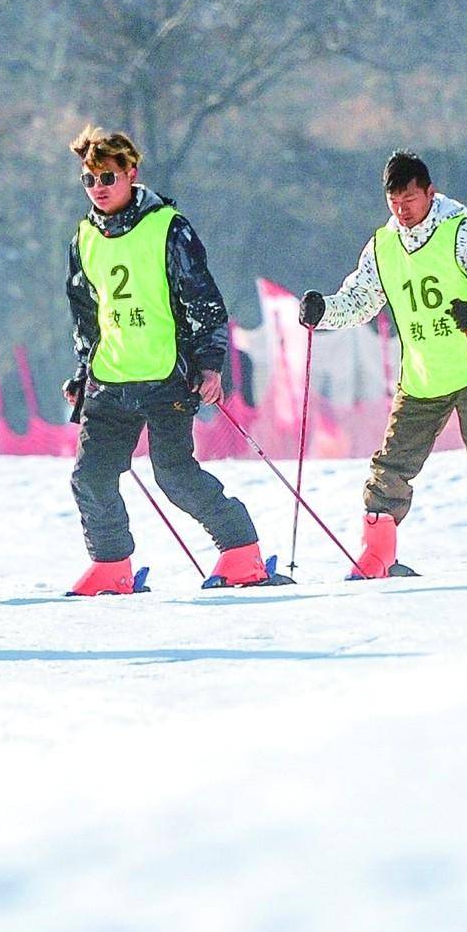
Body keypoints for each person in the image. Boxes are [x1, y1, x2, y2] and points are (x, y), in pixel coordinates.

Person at [301, 151, 467, 574]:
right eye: (395, 204)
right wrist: (323, 312)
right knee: (392, 463)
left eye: (411, 201)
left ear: (430, 193)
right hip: (422, 374)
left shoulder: (461, 231)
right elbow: (361, 301)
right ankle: (377, 553)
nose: (403, 212)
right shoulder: (383, 246)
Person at [61, 124, 275, 593]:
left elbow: (203, 299)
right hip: (110, 378)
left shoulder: (167, 227)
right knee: (91, 477)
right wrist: (82, 371)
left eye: (108, 178)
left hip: (165, 377)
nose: (98, 189)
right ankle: (111, 564)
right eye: (89, 180)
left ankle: (241, 550)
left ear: (131, 173)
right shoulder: (82, 238)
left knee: (174, 476)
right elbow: (85, 312)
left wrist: (210, 363)